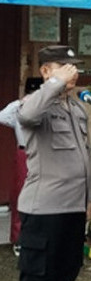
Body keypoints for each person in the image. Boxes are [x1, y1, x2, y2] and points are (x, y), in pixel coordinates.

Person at [16, 45, 91, 281]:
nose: (72, 72)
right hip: (44, 210)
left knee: (64, 274)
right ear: (47, 70)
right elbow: (27, 115)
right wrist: (53, 84)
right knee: (39, 277)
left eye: (73, 66)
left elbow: (84, 158)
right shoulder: (35, 105)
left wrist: (90, 199)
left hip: (74, 209)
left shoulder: (75, 109)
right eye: (64, 66)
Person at [0, 78, 42, 257]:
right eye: (30, 93)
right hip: (24, 153)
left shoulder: (44, 108)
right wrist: (20, 102)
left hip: (43, 154)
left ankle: (39, 238)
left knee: (42, 197)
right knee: (21, 196)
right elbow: (2, 117)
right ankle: (18, 239)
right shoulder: (18, 109)